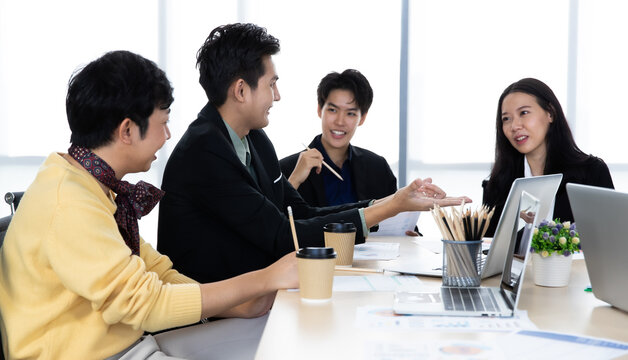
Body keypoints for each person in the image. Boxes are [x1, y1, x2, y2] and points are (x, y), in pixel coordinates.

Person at [0, 50, 298, 360]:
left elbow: (156, 270)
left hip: (130, 344)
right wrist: (266, 278)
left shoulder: (89, 183)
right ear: (127, 130)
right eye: (163, 123)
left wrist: (237, 304)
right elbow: (145, 303)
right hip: (98, 354)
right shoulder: (69, 202)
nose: (167, 135)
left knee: (271, 334)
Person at [157, 23, 469, 284]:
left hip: (257, 298)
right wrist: (387, 209)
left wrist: (391, 202)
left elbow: (301, 214)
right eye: (272, 84)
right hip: (214, 312)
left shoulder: (256, 140)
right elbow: (282, 235)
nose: (277, 96)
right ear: (241, 90)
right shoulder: (205, 151)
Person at [482, 77, 614, 237]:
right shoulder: (498, 184)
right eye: (506, 119)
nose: (514, 126)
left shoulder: (591, 172)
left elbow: (610, 241)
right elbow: (488, 252)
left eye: (524, 113)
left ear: (550, 113)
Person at [279, 69, 396, 207]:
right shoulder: (285, 169)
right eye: (333, 110)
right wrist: (294, 180)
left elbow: (398, 222)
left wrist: (412, 229)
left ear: (362, 118)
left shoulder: (377, 167)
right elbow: (270, 224)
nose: (340, 122)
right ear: (319, 110)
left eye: (350, 113)